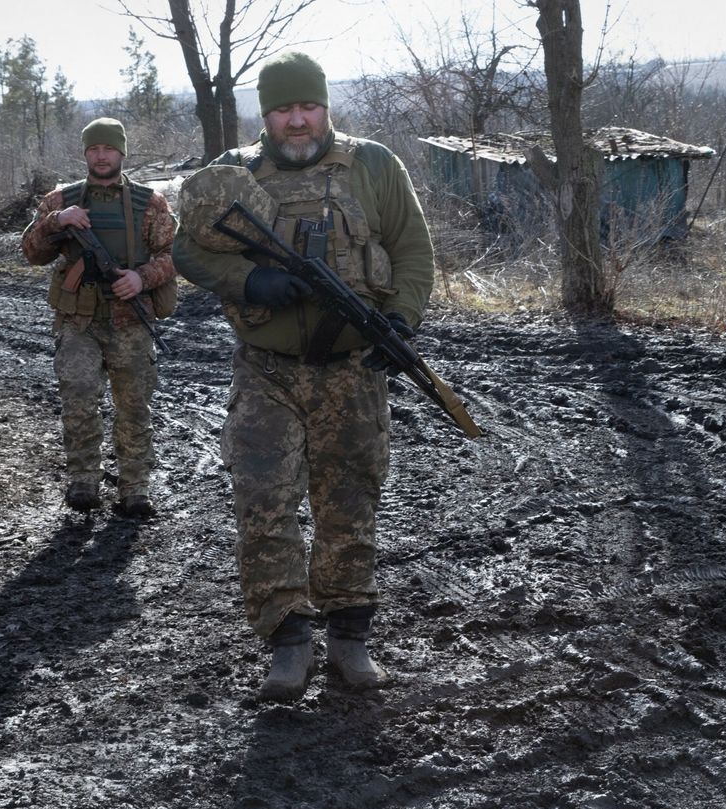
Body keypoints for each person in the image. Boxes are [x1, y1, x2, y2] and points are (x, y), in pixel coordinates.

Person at [172, 51, 435, 701]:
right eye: (284, 109)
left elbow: (411, 248)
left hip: (351, 369)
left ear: (325, 107)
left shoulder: (373, 164)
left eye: (308, 106)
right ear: (267, 113)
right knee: (263, 499)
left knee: (350, 499)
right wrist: (247, 278)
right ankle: (288, 640)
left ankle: (349, 635)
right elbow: (184, 246)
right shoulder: (232, 175)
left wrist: (400, 317)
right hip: (268, 370)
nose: (297, 121)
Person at [22, 117, 177, 519]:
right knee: (78, 400)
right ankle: (83, 482)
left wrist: (141, 278)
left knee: (134, 406)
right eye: (94, 149)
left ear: (121, 152)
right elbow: (31, 253)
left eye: (108, 148)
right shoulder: (60, 200)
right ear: (85, 154)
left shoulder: (151, 203)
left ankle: (135, 488)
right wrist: (57, 222)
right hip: (78, 320)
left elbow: (176, 255)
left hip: (131, 318)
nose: (101, 155)